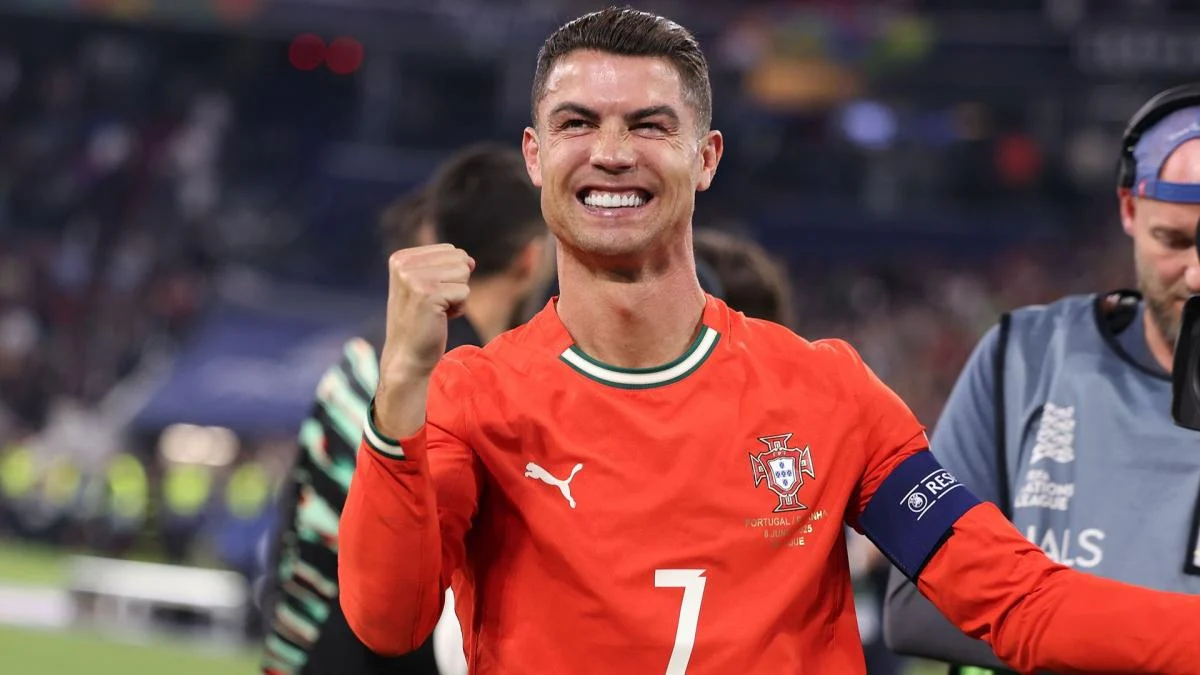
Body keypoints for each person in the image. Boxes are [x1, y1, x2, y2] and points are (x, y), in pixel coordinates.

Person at [338, 9, 1200, 674]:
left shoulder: (829, 394)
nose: (611, 152)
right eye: (576, 123)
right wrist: (402, 385)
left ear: (707, 157)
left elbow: (1017, 600)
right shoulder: (472, 397)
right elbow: (389, 619)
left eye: (649, 125)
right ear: (535, 156)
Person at [882, 85, 1200, 674]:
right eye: (1174, 240)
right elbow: (917, 600)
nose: (1197, 274)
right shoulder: (1026, 357)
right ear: (1129, 211)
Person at [260, 143, 551, 675]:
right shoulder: (479, 389)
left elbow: (294, 525)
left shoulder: (363, 355)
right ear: (530, 260)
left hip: (302, 649)